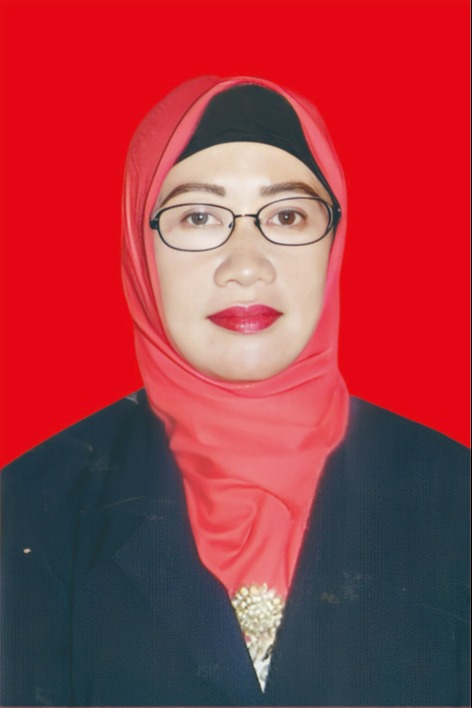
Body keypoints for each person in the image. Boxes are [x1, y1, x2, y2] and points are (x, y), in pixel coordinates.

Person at [1, 76, 469, 707]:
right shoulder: (27, 511)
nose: (246, 264)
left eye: (288, 215)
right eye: (198, 216)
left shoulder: (454, 494)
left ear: (334, 242)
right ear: (140, 247)